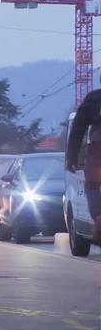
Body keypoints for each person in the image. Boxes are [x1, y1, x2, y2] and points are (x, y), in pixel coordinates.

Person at [66, 88, 101, 245]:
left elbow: (77, 129)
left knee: (92, 186)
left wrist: (72, 157)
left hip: (97, 150)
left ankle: (99, 217)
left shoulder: (93, 98)